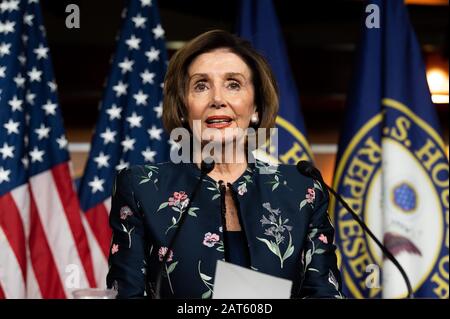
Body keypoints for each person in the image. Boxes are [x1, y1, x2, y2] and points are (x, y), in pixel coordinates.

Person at [106, 29, 344, 299]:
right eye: (201, 85)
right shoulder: (142, 188)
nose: (217, 99)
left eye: (233, 84)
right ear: (184, 108)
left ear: (256, 107)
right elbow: (126, 293)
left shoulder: (303, 190)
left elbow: (324, 293)